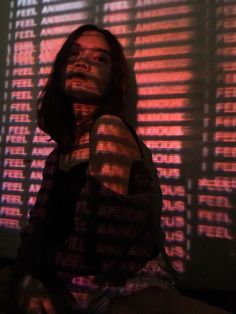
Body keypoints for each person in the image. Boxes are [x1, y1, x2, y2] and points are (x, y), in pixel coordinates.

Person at [10, 24, 230, 313]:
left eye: (100, 59)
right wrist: (29, 278)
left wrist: (42, 272)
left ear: (111, 79)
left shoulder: (109, 129)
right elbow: (35, 232)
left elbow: (99, 249)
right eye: (74, 54)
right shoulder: (58, 154)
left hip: (122, 287)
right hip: (68, 282)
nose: (83, 61)